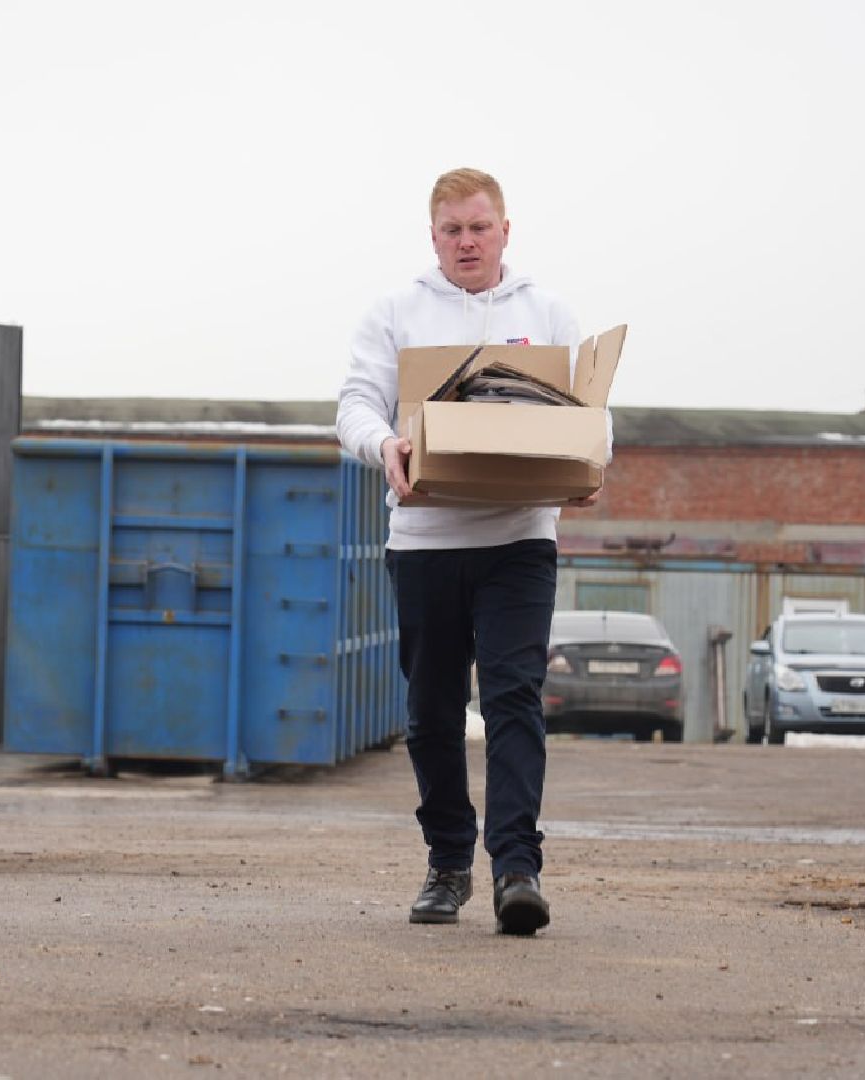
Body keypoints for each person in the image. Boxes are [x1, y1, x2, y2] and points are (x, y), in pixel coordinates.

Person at [336, 168, 599, 935]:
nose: (466, 242)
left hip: (518, 537)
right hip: (425, 539)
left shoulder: (545, 312)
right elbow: (354, 404)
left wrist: (589, 464)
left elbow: (591, 411)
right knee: (431, 712)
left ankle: (516, 869)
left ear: (504, 230)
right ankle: (447, 863)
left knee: (514, 698)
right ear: (433, 237)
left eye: (479, 227)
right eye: (451, 230)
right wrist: (383, 444)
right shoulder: (397, 312)